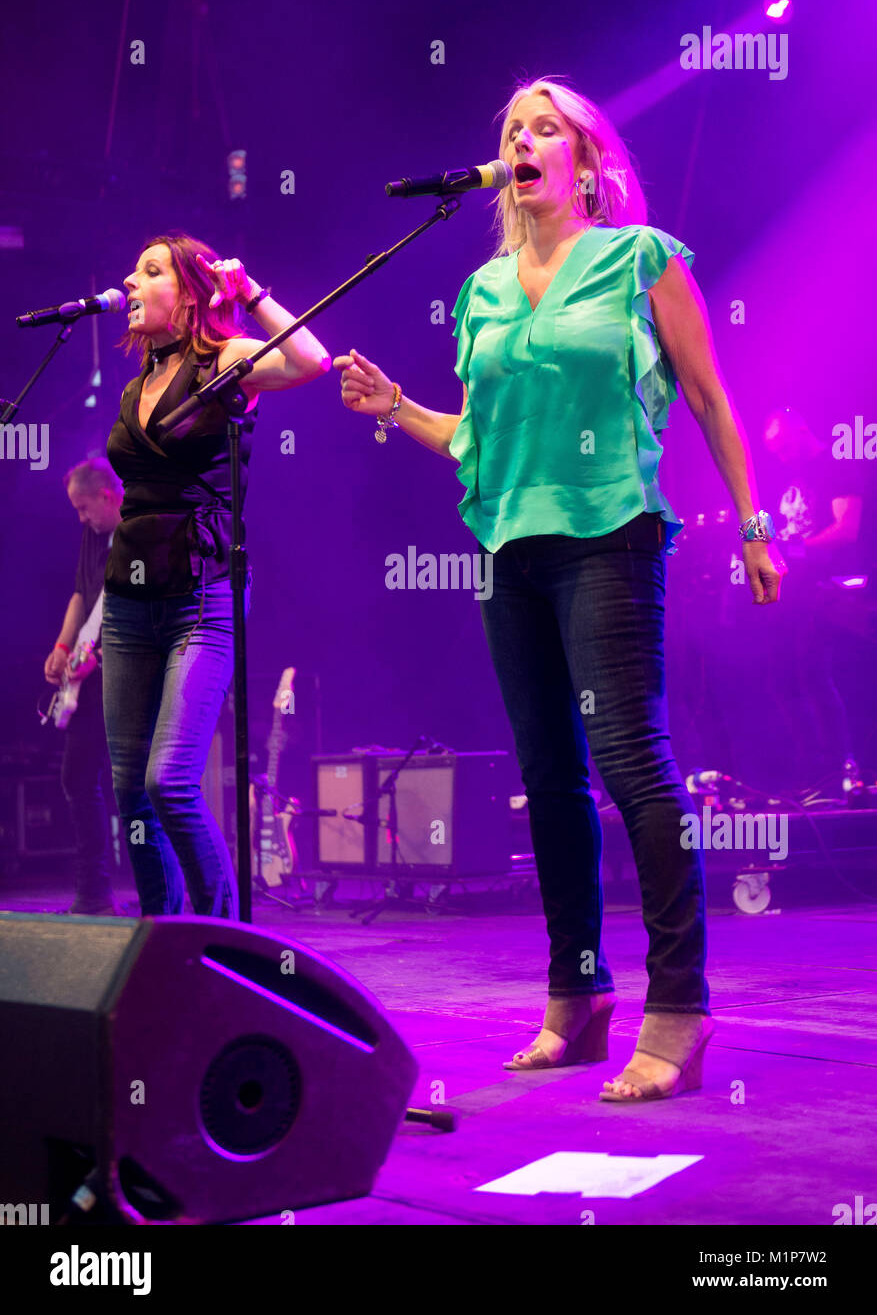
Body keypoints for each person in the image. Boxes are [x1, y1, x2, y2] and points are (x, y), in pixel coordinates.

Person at [335, 78, 785, 1102]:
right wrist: (396, 405)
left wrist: (753, 525)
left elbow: (711, 397)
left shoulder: (642, 258)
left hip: (608, 535)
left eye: (542, 127)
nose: (522, 141)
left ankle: (680, 1005)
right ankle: (576, 996)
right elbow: (475, 439)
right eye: (508, 131)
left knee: (631, 765)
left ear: (584, 159)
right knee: (547, 778)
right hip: (509, 544)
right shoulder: (486, 288)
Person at [102, 231, 330, 918]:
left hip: (201, 594)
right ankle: (161, 940)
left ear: (191, 291)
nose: (131, 284)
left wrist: (251, 291)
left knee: (169, 781)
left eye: (149, 272)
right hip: (128, 599)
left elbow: (310, 361)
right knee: (127, 789)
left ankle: (223, 939)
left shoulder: (223, 362)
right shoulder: (138, 382)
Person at [762, 406, 864, 791]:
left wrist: (796, 550)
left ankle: (836, 768)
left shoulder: (836, 467)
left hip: (825, 591)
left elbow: (847, 529)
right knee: (784, 679)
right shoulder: (783, 475)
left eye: (785, 447)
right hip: (789, 593)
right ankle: (809, 771)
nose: (782, 457)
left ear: (802, 432)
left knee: (814, 675)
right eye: (776, 451)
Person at [43, 457, 122, 914]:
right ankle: (93, 893)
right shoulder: (93, 536)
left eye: (84, 507)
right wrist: (62, 645)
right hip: (88, 681)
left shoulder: (138, 534)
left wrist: (104, 655)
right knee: (77, 775)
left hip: (127, 675)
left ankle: (166, 899)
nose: (80, 517)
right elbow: (81, 594)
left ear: (109, 496)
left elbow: (138, 606)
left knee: (139, 788)